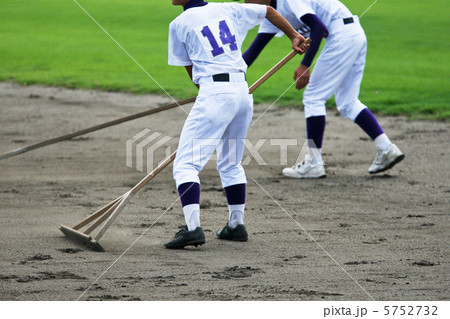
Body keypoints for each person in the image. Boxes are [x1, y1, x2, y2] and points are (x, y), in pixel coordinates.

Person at [165, 0, 308, 249]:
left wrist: (205, 91)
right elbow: (269, 11)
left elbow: (190, 66)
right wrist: (294, 35)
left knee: (185, 164)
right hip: (242, 91)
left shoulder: (178, 24)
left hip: (215, 92)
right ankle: (235, 225)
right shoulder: (227, 8)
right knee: (231, 162)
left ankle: (193, 229)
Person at [242, 0, 404, 178]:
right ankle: (386, 148)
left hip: (343, 34)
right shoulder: (270, 16)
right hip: (352, 33)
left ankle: (313, 162)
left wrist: (305, 65)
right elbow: (252, 52)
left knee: (313, 97)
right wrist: (228, 73)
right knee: (348, 102)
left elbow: (318, 27)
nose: (246, 2)